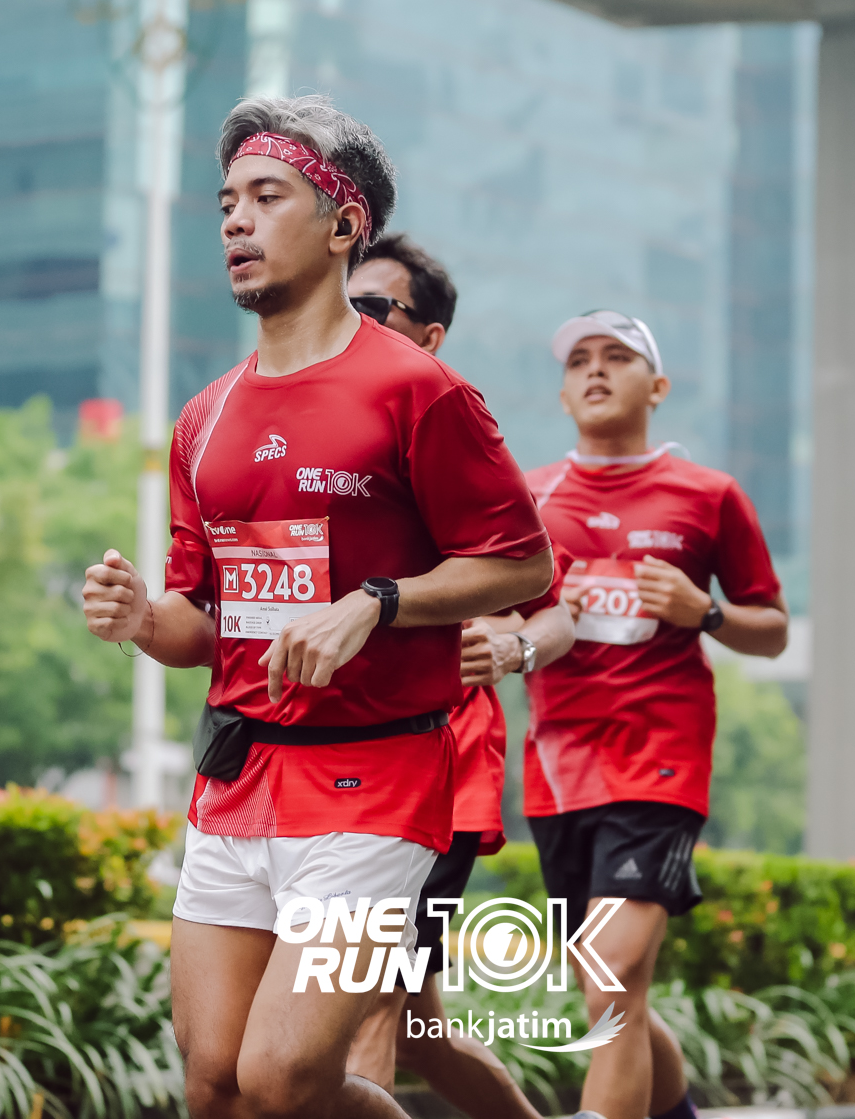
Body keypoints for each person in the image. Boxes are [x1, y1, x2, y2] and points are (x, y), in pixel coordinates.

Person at [81, 96, 553, 1119]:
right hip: (238, 778)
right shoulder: (204, 418)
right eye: (226, 203)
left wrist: (376, 603)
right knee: (215, 1084)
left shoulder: (418, 391)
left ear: (345, 225)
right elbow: (203, 624)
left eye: (266, 197)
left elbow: (522, 564)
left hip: (377, 785)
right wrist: (141, 618)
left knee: (283, 1076)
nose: (236, 221)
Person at [522, 310, 789, 1119]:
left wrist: (703, 612)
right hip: (558, 771)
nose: (595, 370)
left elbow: (772, 630)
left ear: (658, 386)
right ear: (563, 394)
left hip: (659, 762)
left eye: (617, 356)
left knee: (611, 978)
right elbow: (496, 614)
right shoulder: (529, 497)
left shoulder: (709, 495)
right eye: (579, 361)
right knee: (611, 991)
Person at [341, 237, 574, 1119]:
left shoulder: (451, 436)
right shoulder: (319, 438)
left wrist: (511, 648)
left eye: (375, 308)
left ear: (429, 337)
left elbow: (551, 607)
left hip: (434, 775)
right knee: (415, 1027)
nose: (351, 322)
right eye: (344, 303)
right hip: (330, 770)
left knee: (367, 1003)